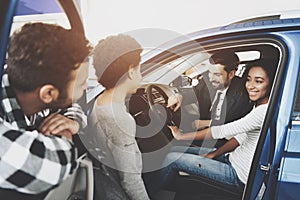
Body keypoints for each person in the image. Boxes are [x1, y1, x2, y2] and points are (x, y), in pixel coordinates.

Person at [0, 23, 91, 199]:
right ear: (48, 93)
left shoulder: (29, 86)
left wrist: (72, 122)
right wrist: (65, 133)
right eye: (81, 83)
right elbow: (53, 165)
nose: (86, 86)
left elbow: (73, 106)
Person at [163, 60, 276, 193]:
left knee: (171, 158)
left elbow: (222, 130)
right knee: (175, 149)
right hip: (231, 158)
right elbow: (239, 138)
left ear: (271, 84)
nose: (250, 86)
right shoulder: (258, 106)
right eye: (249, 80)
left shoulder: (263, 111)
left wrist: (181, 136)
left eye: (258, 81)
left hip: (238, 176)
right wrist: (213, 154)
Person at [90, 34, 150, 200]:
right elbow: (131, 182)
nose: (141, 75)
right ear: (131, 71)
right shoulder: (118, 119)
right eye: (139, 69)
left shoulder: (101, 101)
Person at [193, 51, 253, 147]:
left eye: (217, 75)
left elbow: (238, 125)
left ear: (231, 74)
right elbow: (192, 93)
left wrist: (208, 123)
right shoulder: (206, 82)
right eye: (210, 73)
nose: (211, 78)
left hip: (223, 143)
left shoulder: (244, 92)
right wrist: (178, 96)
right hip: (201, 137)